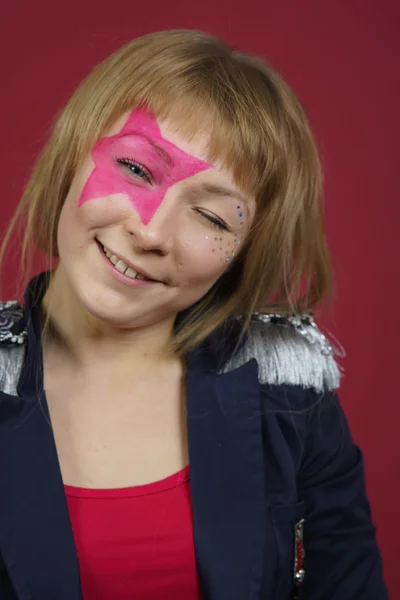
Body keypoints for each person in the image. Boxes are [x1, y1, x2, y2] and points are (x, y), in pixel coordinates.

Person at [0, 29, 387, 600]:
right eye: (135, 169)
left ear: (243, 254)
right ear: (72, 152)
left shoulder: (290, 392)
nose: (151, 231)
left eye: (211, 217)